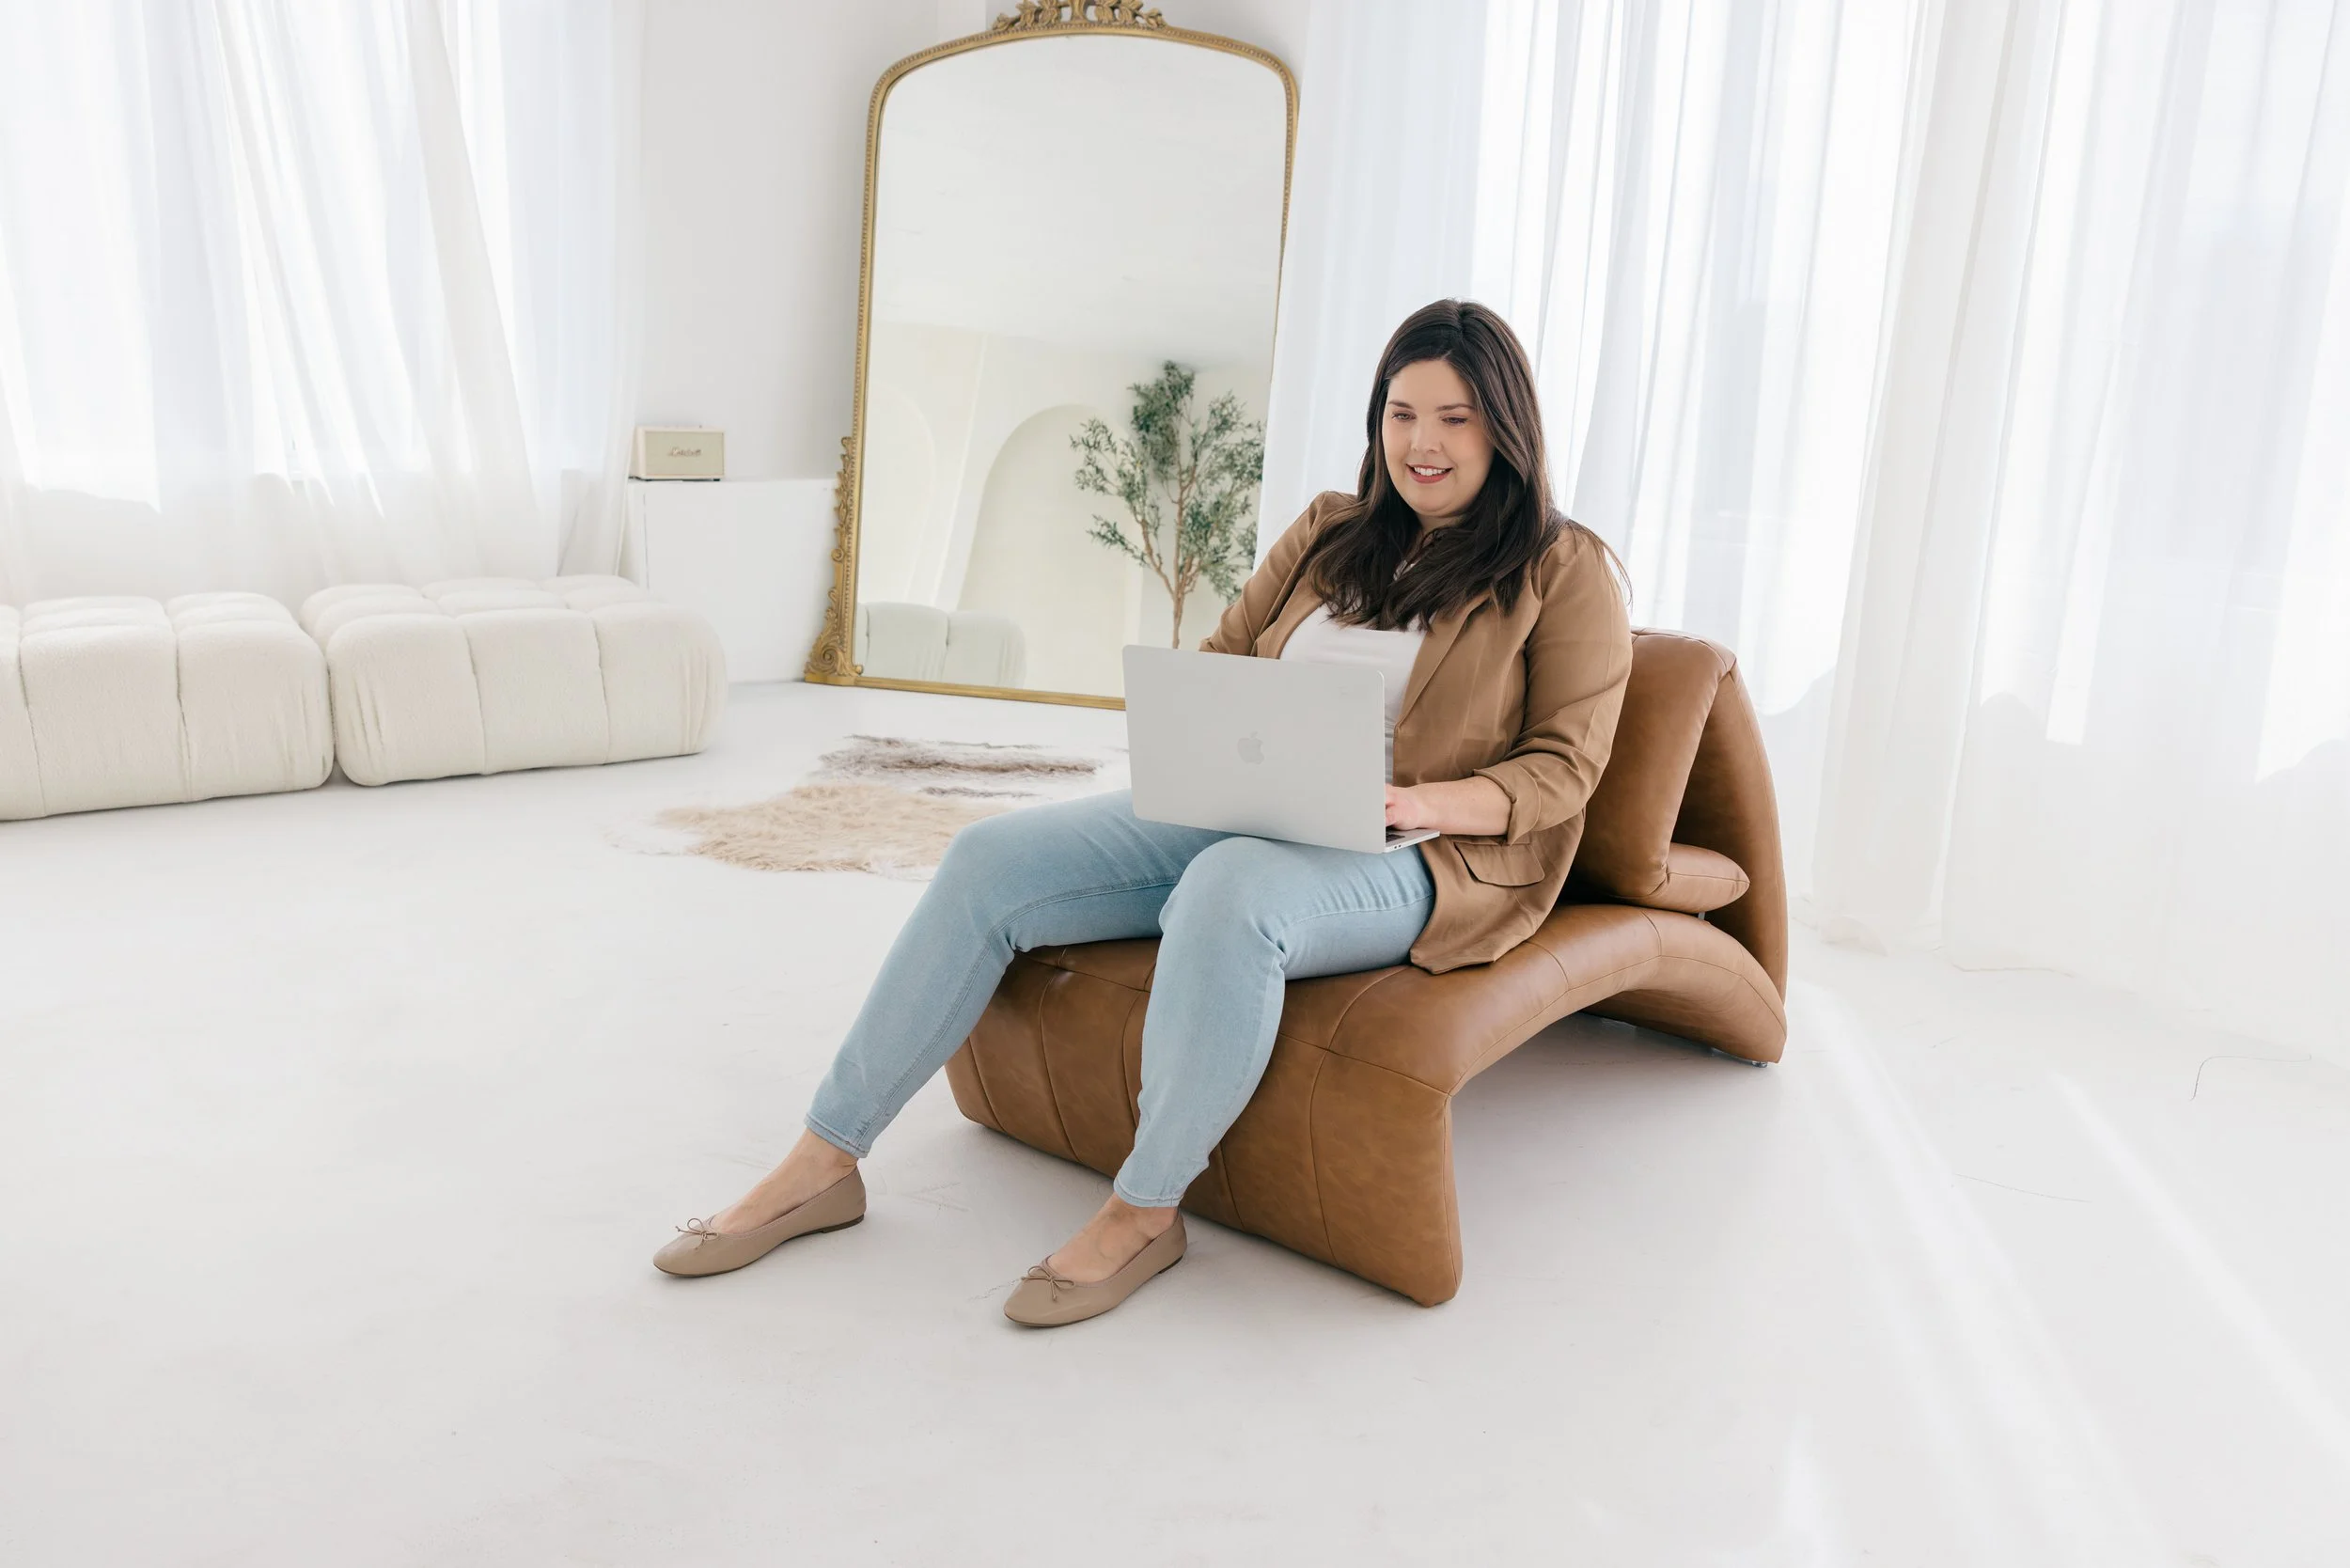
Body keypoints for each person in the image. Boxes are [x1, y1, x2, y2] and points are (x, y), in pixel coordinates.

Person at [653, 299, 1634, 1326]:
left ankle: (1146, 1210)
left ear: (1504, 428)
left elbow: (1564, 770)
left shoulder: (1563, 569)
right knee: (989, 859)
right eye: (1402, 414)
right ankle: (824, 1159)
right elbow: (1220, 663)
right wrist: (1211, 745)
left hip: (1426, 852)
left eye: (1455, 418)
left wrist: (1416, 798)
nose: (1422, 442)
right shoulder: (1329, 533)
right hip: (1255, 801)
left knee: (1229, 891)